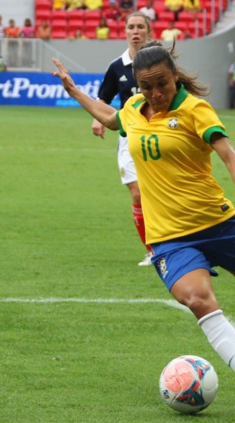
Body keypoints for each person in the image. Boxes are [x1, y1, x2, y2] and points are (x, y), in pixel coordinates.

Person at [52, 40, 235, 411]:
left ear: (175, 76)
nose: (155, 93)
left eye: (162, 83)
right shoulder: (132, 109)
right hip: (168, 235)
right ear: (137, 85)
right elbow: (111, 118)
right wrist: (74, 91)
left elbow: (229, 153)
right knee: (196, 299)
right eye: (147, 86)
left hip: (217, 222)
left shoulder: (195, 110)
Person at [92, 12, 153, 266]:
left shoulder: (160, 62)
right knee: (138, 193)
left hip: (160, 138)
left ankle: (178, 242)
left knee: (160, 193)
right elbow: (103, 98)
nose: (135, 31)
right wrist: (98, 118)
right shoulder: (117, 66)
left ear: (148, 31)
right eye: (131, 27)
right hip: (129, 137)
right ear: (125, 31)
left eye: (140, 26)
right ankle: (153, 250)